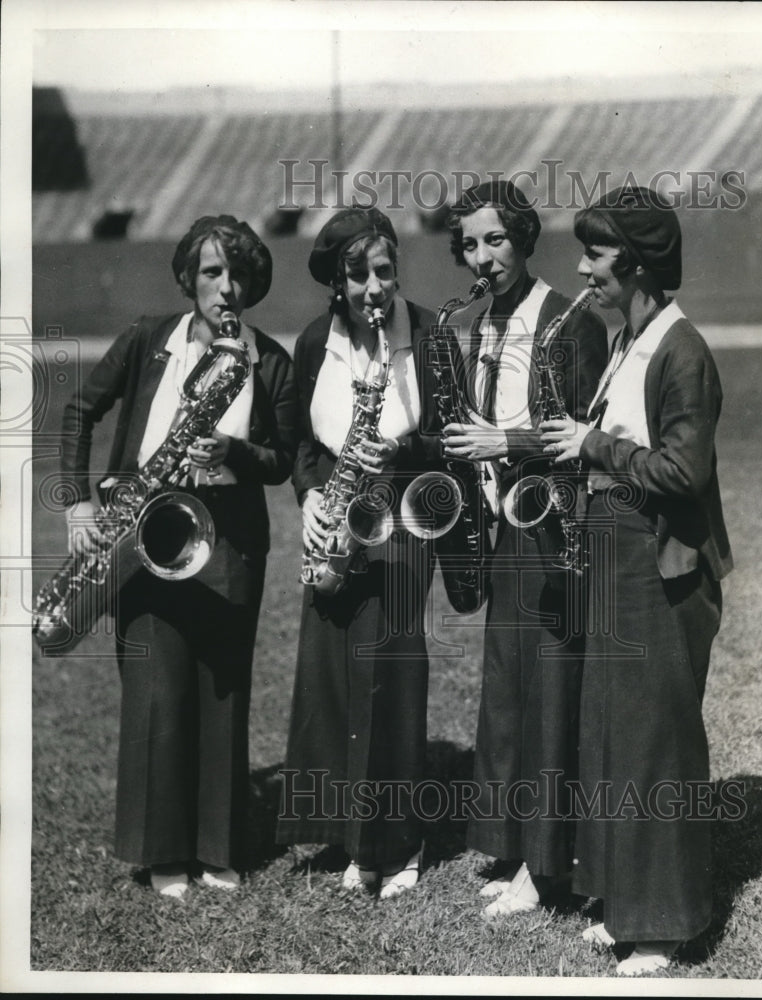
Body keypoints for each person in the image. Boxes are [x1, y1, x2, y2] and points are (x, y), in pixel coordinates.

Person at [59, 215, 298, 898]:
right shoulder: (145, 339)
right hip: (143, 530)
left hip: (228, 538)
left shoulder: (269, 359)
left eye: (239, 275)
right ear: (189, 278)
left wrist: (233, 453)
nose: (227, 288)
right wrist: (78, 502)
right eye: (213, 273)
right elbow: (80, 410)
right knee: (159, 692)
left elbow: (280, 460)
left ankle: (217, 848)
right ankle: (163, 852)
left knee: (221, 690)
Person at [541, 186, 733, 975]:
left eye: (596, 256)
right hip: (617, 558)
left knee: (655, 745)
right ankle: (624, 901)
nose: (582, 270)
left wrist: (596, 449)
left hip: (662, 571)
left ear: (641, 265)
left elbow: (684, 472)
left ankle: (665, 926)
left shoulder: (681, 350)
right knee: (614, 735)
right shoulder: (628, 338)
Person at [442, 180, 607, 918]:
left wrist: (503, 440)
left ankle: (547, 866)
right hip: (501, 522)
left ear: (524, 238)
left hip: (553, 526)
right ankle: (513, 845)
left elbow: (579, 430)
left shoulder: (570, 319)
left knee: (548, 694)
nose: (483, 256)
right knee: (507, 690)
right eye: (471, 244)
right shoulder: (475, 320)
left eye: (496, 240)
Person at [276, 207, 440, 898]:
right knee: (334, 672)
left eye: (384, 270)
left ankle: (398, 842)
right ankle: (353, 836)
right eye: (358, 275)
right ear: (336, 284)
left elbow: (452, 439)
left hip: (403, 517)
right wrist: (313, 498)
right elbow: (302, 447)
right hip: (337, 518)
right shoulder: (316, 341)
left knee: (390, 673)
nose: (375, 287)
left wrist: (402, 446)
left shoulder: (430, 335)